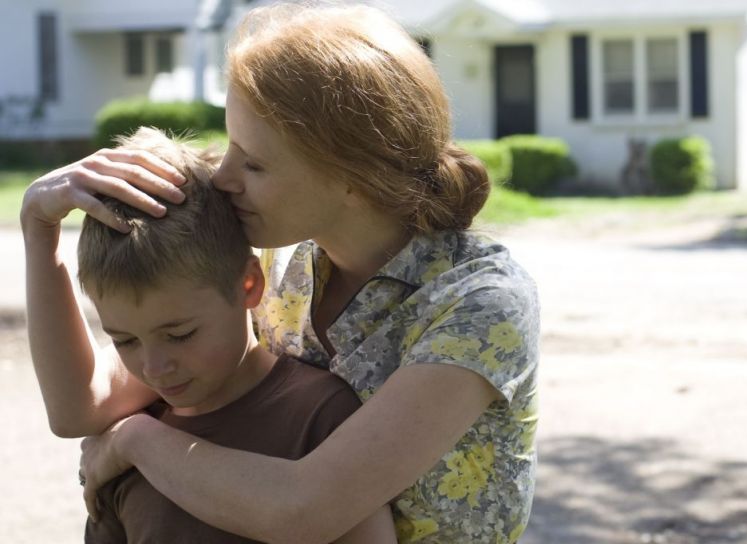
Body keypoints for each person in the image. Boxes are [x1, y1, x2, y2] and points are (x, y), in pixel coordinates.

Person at [20, 3, 539, 542]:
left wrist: (134, 441)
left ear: (350, 176)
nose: (222, 177)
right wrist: (40, 230)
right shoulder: (279, 268)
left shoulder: (480, 301)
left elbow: (305, 508)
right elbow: (82, 404)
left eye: (253, 162)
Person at [71, 128, 395, 543]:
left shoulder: (322, 416)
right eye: (124, 341)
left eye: (181, 334)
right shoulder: (119, 441)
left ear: (248, 286)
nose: (153, 368)